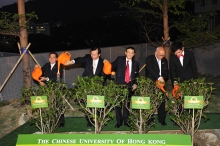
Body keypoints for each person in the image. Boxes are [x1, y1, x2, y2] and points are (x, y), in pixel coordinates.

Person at [65, 47, 106, 127]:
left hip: (97, 85)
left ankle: (98, 120)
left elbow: (105, 74)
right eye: (91, 54)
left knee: (98, 103)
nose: (92, 56)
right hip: (86, 84)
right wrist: (71, 62)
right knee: (87, 103)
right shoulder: (87, 58)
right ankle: (89, 121)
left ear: (99, 54)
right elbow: (79, 59)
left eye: (94, 54)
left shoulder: (103, 62)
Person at [111, 46, 139, 128]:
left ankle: (126, 121)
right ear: (125, 53)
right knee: (118, 105)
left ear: (134, 54)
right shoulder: (120, 59)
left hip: (129, 85)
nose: (130, 54)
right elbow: (111, 66)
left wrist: (135, 84)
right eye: (128, 52)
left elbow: (137, 76)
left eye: (132, 52)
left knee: (127, 104)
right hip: (119, 85)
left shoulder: (136, 64)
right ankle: (119, 122)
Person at [40, 52, 65, 127]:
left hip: (57, 88)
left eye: (53, 57)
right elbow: (39, 73)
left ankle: (61, 121)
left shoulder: (59, 66)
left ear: (56, 58)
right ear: (48, 58)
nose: (52, 59)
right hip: (48, 88)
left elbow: (58, 78)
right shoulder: (46, 65)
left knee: (58, 104)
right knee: (50, 104)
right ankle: (52, 120)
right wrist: (40, 80)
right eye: (50, 57)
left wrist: (46, 79)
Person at [145, 46, 169, 126]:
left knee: (161, 102)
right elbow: (150, 69)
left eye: (163, 55)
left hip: (161, 84)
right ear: (155, 53)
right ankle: (149, 120)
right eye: (160, 55)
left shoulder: (164, 60)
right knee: (151, 101)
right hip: (151, 83)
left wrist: (163, 78)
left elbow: (166, 72)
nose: (162, 57)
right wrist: (159, 78)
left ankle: (162, 119)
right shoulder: (149, 59)